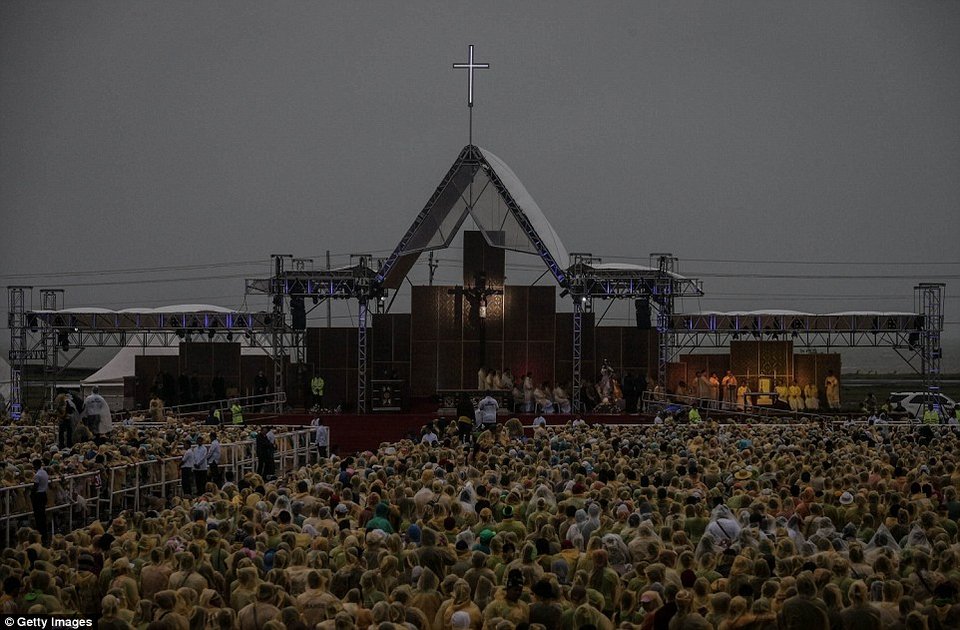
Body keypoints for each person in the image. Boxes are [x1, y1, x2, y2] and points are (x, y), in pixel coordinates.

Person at [31, 458, 50, 544]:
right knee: (42, 515)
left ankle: (40, 535)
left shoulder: (37, 475)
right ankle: (44, 534)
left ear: (36, 465)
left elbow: (35, 487)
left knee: (38, 516)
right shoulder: (45, 472)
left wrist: (31, 495)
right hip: (44, 494)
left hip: (38, 496)